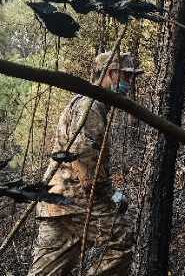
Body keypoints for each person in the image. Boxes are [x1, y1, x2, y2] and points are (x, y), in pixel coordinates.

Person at [28, 51, 143, 276]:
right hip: (75, 200)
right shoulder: (91, 105)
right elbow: (85, 159)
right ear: (111, 73)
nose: (130, 83)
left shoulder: (87, 102)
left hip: (56, 203)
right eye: (127, 77)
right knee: (123, 240)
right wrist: (109, 194)